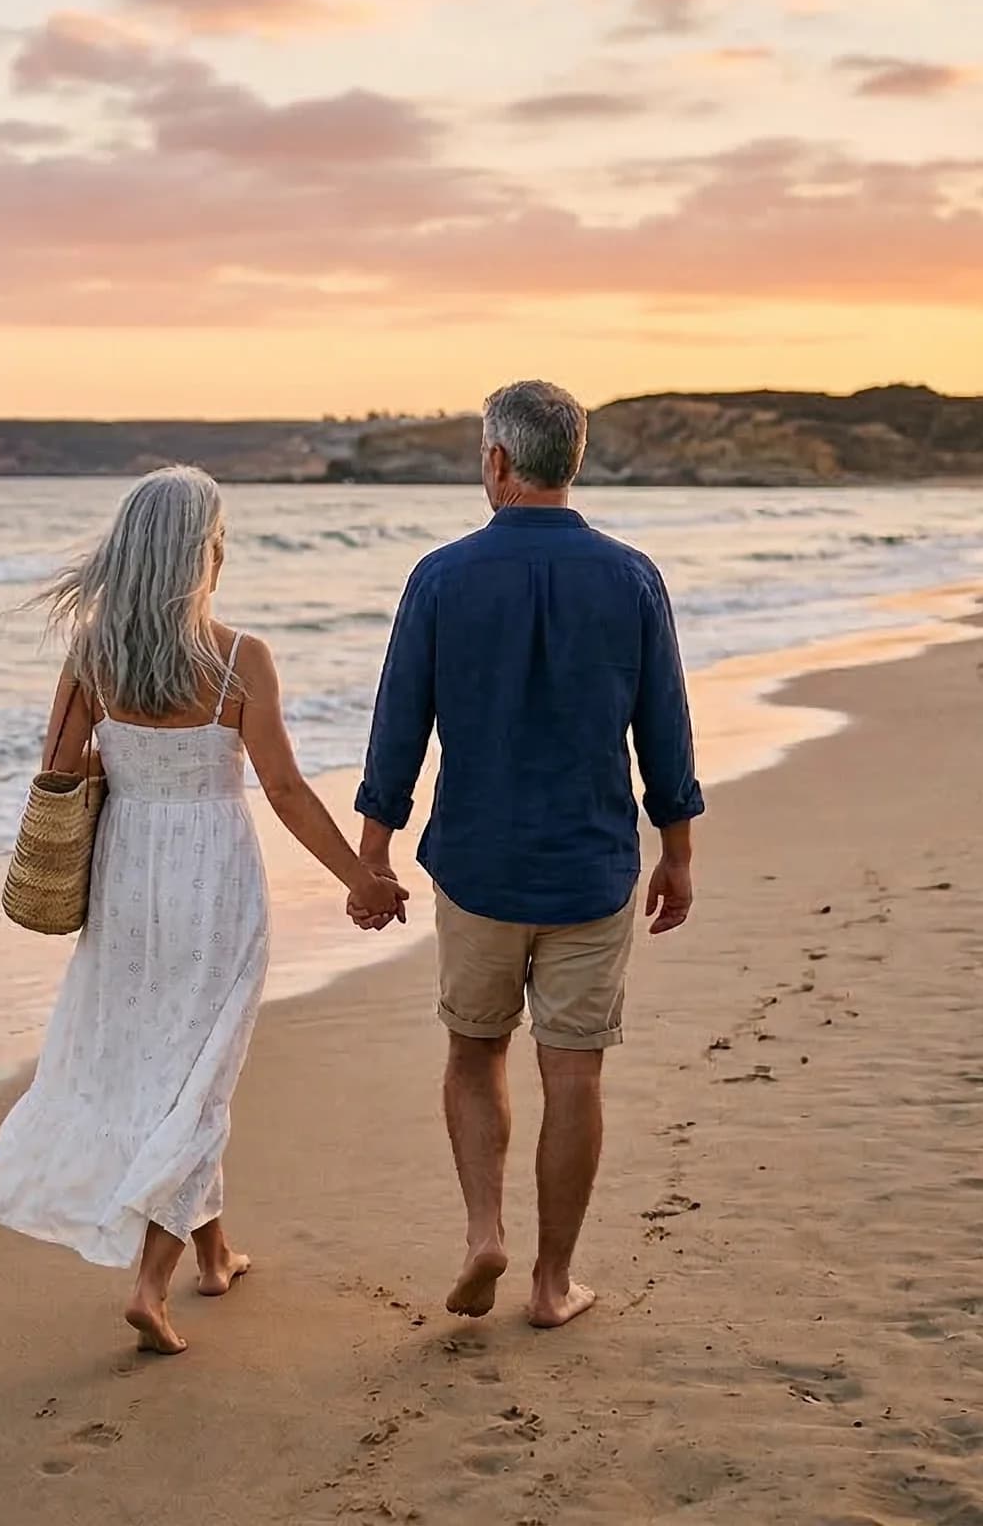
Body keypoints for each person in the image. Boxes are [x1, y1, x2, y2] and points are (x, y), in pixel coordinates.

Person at [0, 465, 407, 1356]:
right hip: (213, 877)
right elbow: (282, 789)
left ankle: (214, 1256)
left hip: (125, 874)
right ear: (198, 552)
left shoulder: (92, 652)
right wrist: (355, 879)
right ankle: (147, 1285)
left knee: (166, 1063)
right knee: (198, 1076)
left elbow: (60, 767)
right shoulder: (239, 656)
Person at [354, 380, 703, 1330]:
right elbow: (663, 730)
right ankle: (552, 1284)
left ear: (498, 463)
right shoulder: (630, 576)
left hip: (476, 867)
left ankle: (482, 1234)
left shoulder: (440, 576)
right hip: (591, 867)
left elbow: (399, 726)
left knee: (474, 1052)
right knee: (574, 1071)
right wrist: (676, 848)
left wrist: (372, 850)